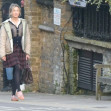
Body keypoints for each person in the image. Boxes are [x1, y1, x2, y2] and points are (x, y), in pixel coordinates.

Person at [0, 3, 30, 101]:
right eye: (14, 11)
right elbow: (2, 40)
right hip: (10, 50)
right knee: (16, 66)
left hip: (21, 50)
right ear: (10, 12)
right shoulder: (6, 24)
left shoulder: (24, 23)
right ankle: (18, 90)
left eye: (17, 11)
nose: (16, 12)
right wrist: (2, 54)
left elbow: (27, 38)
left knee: (18, 71)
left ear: (19, 12)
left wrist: (27, 52)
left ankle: (13, 95)